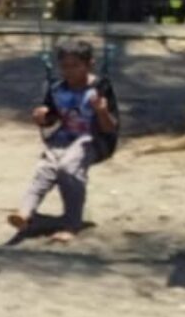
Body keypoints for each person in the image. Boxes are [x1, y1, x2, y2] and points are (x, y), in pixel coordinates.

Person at [8, 38, 119, 243]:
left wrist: (102, 111)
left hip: (94, 140)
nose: (69, 72)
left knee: (69, 167)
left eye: (75, 66)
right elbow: (51, 118)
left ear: (89, 65)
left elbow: (110, 128)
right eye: (65, 67)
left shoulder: (100, 88)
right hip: (62, 139)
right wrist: (41, 118)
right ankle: (25, 213)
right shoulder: (57, 88)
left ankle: (72, 223)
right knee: (46, 168)